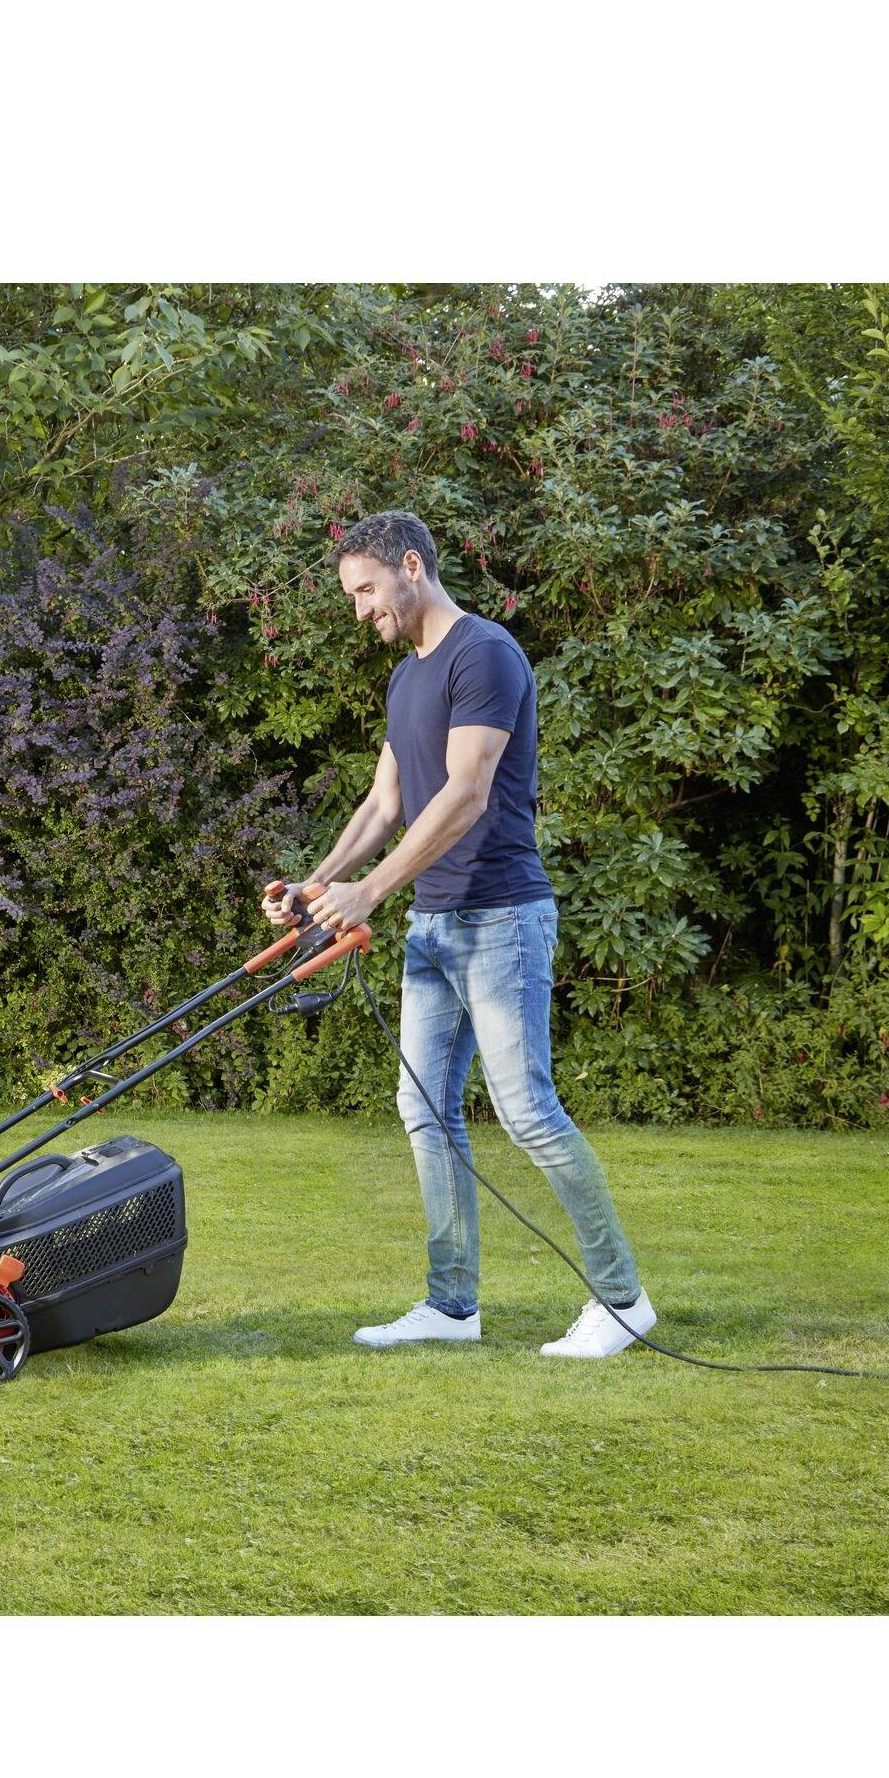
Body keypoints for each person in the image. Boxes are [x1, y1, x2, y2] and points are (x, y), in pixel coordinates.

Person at [261, 509, 654, 1358]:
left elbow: (468, 794)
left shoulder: (486, 654)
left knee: (527, 1112)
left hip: (503, 917)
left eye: (367, 591)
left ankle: (622, 1301)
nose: (361, 610)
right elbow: (385, 803)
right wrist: (321, 883)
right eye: (352, 597)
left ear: (411, 567)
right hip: (434, 928)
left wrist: (370, 891)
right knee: (425, 1108)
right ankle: (450, 1306)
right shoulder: (408, 680)